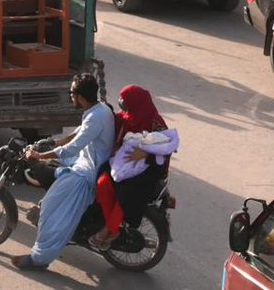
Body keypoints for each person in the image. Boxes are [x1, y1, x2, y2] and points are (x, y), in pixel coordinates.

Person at [12, 72, 115, 271]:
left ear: (81, 97)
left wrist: (39, 156)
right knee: (52, 166)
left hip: (85, 173)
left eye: (72, 94)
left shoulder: (95, 118)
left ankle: (39, 259)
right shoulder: (99, 109)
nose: (70, 97)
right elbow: (77, 134)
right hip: (84, 160)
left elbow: (72, 148)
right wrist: (53, 144)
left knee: (51, 210)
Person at [90, 85, 171, 249]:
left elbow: (168, 147)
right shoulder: (125, 118)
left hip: (147, 171)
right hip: (121, 166)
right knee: (102, 184)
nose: (123, 105)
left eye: (127, 102)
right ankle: (109, 225)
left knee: (126, 193)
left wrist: (146, 155)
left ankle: (110, 230)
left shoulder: (156, 123)